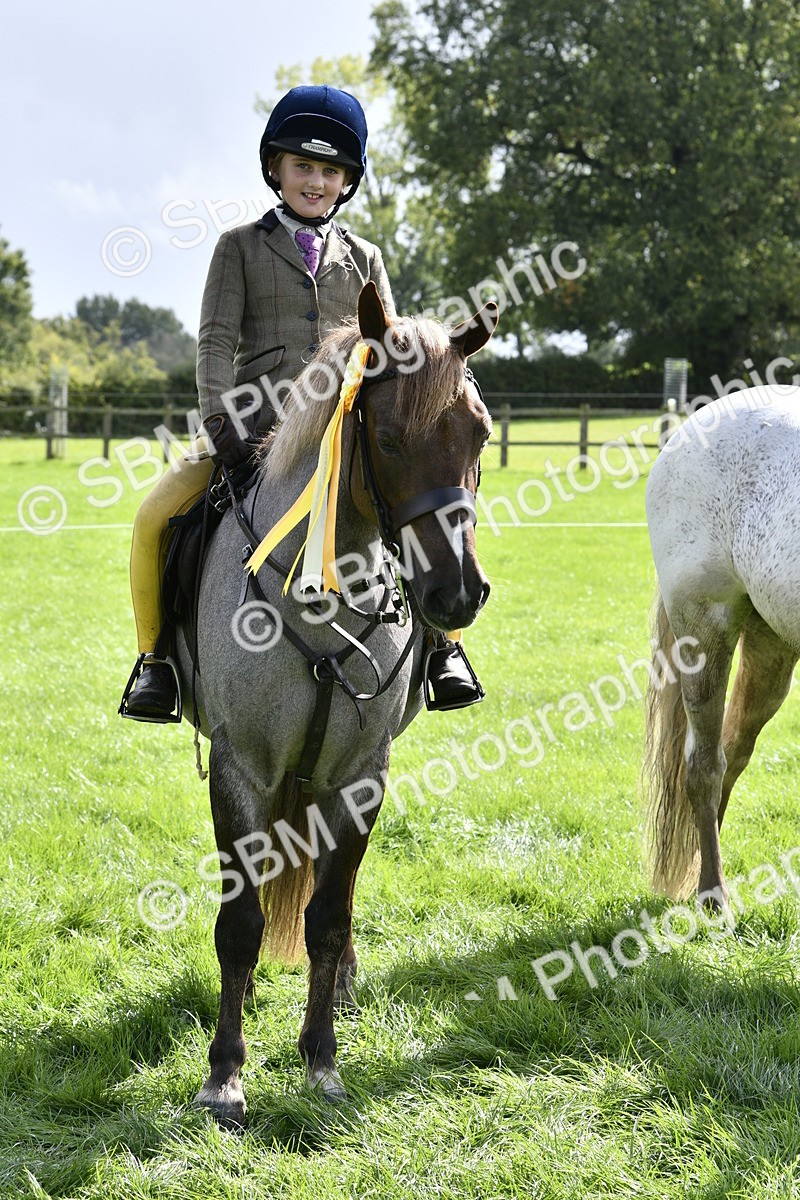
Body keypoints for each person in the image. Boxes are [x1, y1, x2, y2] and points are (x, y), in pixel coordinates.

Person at [121, 85, 483, 721]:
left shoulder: (365, 256)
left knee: (435, 509)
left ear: (347, 181)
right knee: (155, 516)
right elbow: (214, 346)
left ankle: (444, 647)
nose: (315, 181)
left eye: (329, 170)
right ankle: (155, 664)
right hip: (251, 428)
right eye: (303, 166)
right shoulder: (237, 247)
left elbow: (391, 353)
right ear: (275, 169)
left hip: (342, 432)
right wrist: (220, 428)